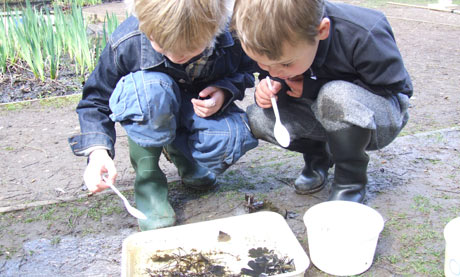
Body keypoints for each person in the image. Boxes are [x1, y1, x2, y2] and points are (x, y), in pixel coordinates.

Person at [68, 0, 258, 231]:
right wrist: (98, 153)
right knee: (150, 95)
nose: (174, 55)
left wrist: (224, 91)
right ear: (145, 26)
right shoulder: (128, 40)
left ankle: (184, 158)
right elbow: (95, 100)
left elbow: (247, 72)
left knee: (231, 134)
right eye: (161, 46)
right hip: (152, 102)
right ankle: (149, 183)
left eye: (189, 50)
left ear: (214, 29)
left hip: (193, 107)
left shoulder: (232, 34)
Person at [232, 0, 412, 203]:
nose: (272, 70)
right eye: (263, 63)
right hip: (324, 110)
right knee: (258, 117)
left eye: (285, 63)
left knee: (334, 95)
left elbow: (393, 88)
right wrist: (272, 88)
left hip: (382, 116)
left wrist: (312, 88)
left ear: (322, 31)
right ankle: (318, 158)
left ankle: (350, 183)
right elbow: (274, 76)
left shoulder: (364, 31)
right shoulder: (272, 41)